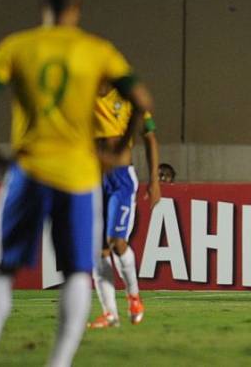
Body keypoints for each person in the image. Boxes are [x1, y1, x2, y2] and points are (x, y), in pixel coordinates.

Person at [0, 0, 153, 367]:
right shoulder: (97, 51)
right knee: (76, 272)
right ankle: (59, 363)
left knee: (1, 269)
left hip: (28, 171)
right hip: (80, 176)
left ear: (42, 7)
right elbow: (140, 98)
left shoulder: (17, 46)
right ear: (77, 8)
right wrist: (119, 150)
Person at [87, 84, 161, 328]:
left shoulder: (126, 99)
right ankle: (110, 314)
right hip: (93, 179)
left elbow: (150, 137)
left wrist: (154, 181)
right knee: (99, 250)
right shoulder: (82, 98)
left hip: (120, 180)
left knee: (116, 242)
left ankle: (134, 298)